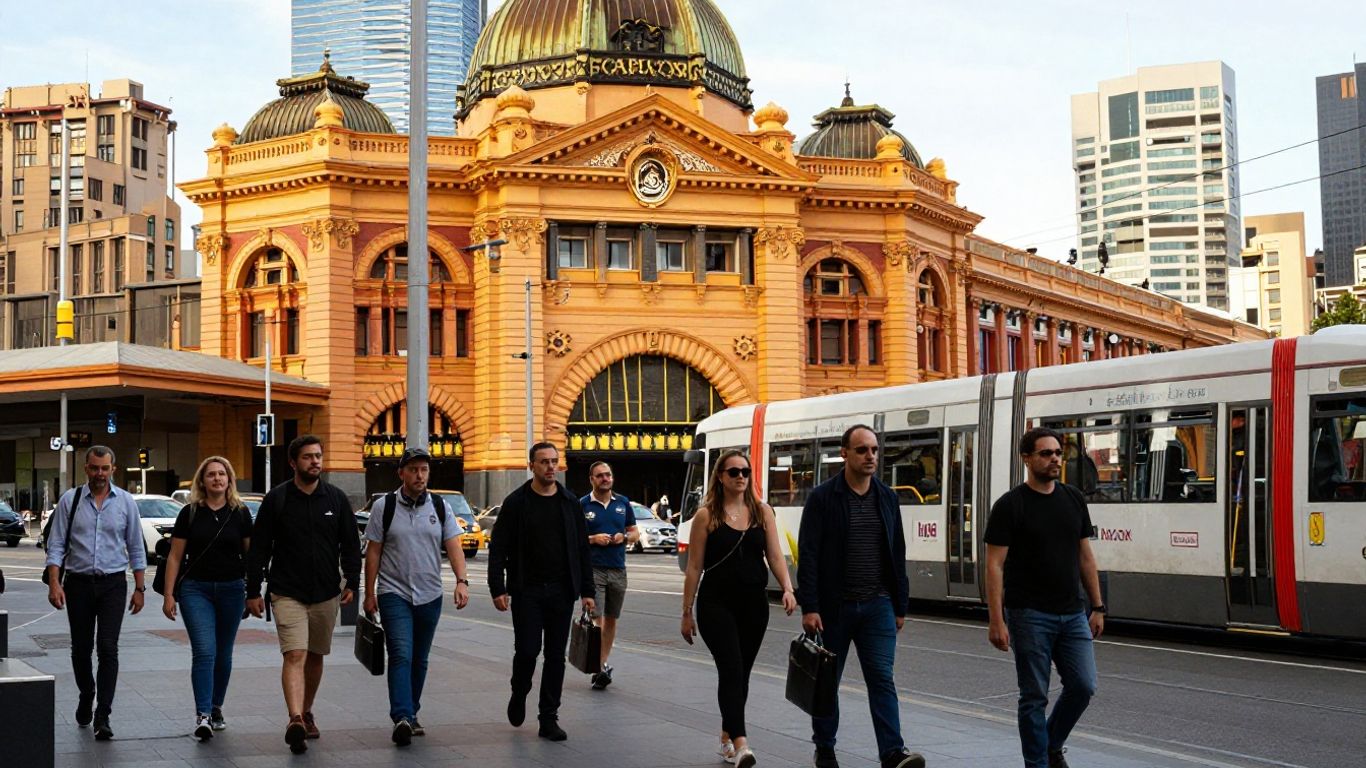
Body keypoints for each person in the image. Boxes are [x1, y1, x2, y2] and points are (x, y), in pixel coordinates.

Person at [797, 425, 924, 768]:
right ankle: (824, 747)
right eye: (862, 450)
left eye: (874, 450)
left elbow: (897, 553)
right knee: (828, 683)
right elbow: (808, 555)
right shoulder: (824, 498)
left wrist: (900, 604)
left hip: (877, 605)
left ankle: (892, 752)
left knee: (882, 679)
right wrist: (810, 606)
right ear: (845, 454)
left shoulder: (887, 497)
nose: (870, 456)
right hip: (834, 607)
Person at [984, 427, 1104, 768]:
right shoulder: (1011, 505)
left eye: (1057, 453)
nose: (1054, 459)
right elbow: (994, 565)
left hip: (1072, 613)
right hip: (1029, 614)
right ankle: (1037, 763)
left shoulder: (1073, 498)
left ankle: (1051, 744)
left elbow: (1085, 556)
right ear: (1027, 458)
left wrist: (1097, 606)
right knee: (1034, 696)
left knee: (1083, 686)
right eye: (1046, 453)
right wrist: (996, 619)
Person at [245, 435, 361, 754]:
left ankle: (307, 711)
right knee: (294, 653)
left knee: (315, 655)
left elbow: (351, 544)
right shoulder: (277, 500)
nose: (315, 462)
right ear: (293, 463)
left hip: (326, 592)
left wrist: (352, 582)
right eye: (308, 457)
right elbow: (259, 549)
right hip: (287, 591)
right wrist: (253, 590)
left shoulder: (335, 499)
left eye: (318, 456)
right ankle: (294, 718)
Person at [681, 450, 796, 768]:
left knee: (741, 674)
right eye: (733, 472)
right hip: (715, 604)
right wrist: (687, 611)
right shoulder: (707, 516)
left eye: (745, 471)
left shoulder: (762, 511)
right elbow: (694, 568)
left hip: (753, 605)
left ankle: (725, 736)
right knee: (731, 668)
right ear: (720, 476)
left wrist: (787, 587)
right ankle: (741, 744)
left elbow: (774, 556)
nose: (741, 476)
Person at [487, 442, 596, 742]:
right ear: (531, 465)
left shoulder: (569, 502)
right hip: (527, 591)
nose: (551, 467)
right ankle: (519, 690)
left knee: (555, 657)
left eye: (554, 462)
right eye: (544, 462)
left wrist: (587, 590)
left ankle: (548, 717)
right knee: (527, 651)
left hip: (562, 591)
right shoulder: (516, 502)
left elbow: (582, 550)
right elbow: (498, 549)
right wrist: (498, 587)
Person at [363, 447, 471, 746]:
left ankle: (412, 711)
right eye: (413, 469)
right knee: (401, 653)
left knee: (420, 659)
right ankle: (401, 716)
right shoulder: (384, 507)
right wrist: (369, 592)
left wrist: (462, 581)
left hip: (430, 594)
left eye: (424, 469)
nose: (419, 475)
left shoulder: (440, 506)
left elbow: (454, 547)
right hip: (393, 592)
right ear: (401, 473)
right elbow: (373, 552)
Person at [45, 446, 147, 741]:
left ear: (113, 469)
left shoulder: (126, 502)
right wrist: (55, 582)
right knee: (80, 648)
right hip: (78, 583)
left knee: (108, 648)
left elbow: (136, 548)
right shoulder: (71, 500)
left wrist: (140, 588)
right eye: (94, 468)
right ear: (86, 469)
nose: (99, 474)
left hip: (114, 583)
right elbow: (56, 545)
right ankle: (86, 692)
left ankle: (103, 714)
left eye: (104, 468)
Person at [160, 456, 254, 741]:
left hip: (232, 590)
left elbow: (251, 557)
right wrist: (168, 595)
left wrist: (254, 593)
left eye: (222, 474)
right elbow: (175, 556)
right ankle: (202, 714)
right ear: (202, 480)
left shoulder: (240, 513)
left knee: (223, 654)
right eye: (211, 474)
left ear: (229, 480)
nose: (217, 479)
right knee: (204, 651)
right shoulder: (189, 513)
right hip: (195, 590)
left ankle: (216, 707)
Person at [579, 460, 638, 690]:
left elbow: (634, 533)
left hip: (618, 569)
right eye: (600, 476)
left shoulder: (623, 503)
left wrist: (624, 536)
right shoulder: (582, 505)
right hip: (593, 570)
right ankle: (599, 666)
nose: (606, 479)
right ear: (592, 479)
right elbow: (573, 539)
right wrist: (593, 539)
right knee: (597, 619)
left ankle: (602, 662)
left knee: (611, 618)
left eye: (608, 475)